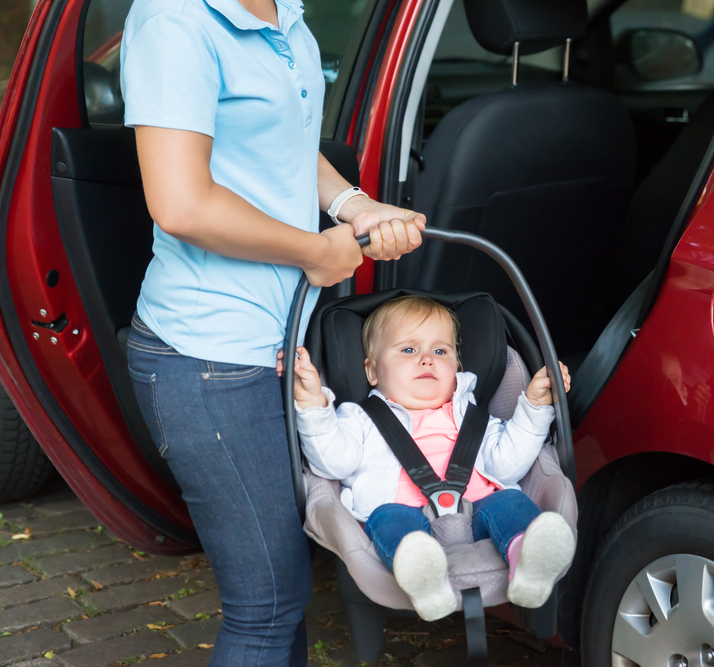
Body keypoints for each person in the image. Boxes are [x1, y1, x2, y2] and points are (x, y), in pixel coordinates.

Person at [120, 1, 425, 665]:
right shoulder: (175, 20)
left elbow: (283, 144)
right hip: (206, 356)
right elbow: (180, 202)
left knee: (283, 603)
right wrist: (314, 251)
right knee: (266, 608)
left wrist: (354, 206)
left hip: (274, 347)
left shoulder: (286, 13)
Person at [288, 296, 576, 621]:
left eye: (440, 351)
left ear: (457, 367)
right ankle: (426, 578)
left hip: (480, 510)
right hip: (403, 513)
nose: (427, 359)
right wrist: (313, 406)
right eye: (409, 350)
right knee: (387, 520)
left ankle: (529, 559)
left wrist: (535, 407)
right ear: (372, 370)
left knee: (511, 502)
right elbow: (333, 462)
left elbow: (508, 464)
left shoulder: (472, 417)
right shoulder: (358, 419)